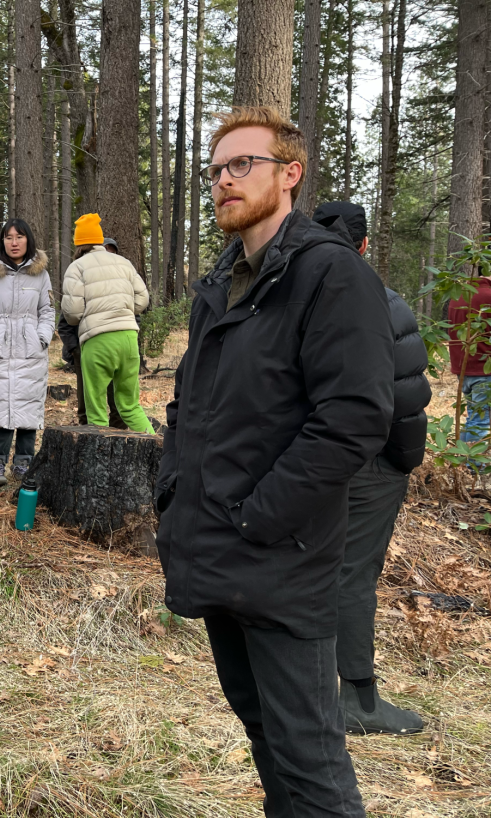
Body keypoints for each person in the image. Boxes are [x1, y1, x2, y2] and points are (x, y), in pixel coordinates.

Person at [155, 107, 395, 817]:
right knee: (265, 736)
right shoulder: (223, 284)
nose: (224, 181)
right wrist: (176, 494)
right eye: (215, 170)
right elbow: (192, 409)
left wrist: (259, 516)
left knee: (310, 759)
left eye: (242, 165)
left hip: (280, 557)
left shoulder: (330, 276)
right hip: (217, 550)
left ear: (289, 175)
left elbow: (354, 419)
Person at [312, 201, 431, 736]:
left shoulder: (294, 297)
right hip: (368, 463)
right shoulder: (381, 301)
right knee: (353, 576)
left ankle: (313, 687)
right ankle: (358, 699)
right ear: (363, 246)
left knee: (319, 571)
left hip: (308, 462)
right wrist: (402, 461)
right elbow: (407, 395)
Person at [0, 219, 55, 485]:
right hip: (0, 350)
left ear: (28, 240)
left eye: (19, 236)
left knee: (29, 408)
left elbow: (47, 310)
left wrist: (41, 338)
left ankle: (23, 463)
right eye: (8, 237)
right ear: (2, 241)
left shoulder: (40, 274)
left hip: (31, 349)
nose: (14, 242)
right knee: (1, 406)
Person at [61, 213, 153, 431]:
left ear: (78, 243)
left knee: (96, 410)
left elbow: (72, 313)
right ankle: (158, 452)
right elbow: (142, 300)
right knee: (130, 406)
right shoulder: (124, 263)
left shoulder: (77, 268)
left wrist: (91, 314)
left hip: (97, 341)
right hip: (129, 338)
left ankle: (98, 462)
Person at [447, 258, 491, 461]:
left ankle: (458, 463)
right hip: (484, 370)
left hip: (463, 370)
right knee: (480, 422)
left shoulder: (459, 295)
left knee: (474, 418)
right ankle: (473, 469)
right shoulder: (488, 296)